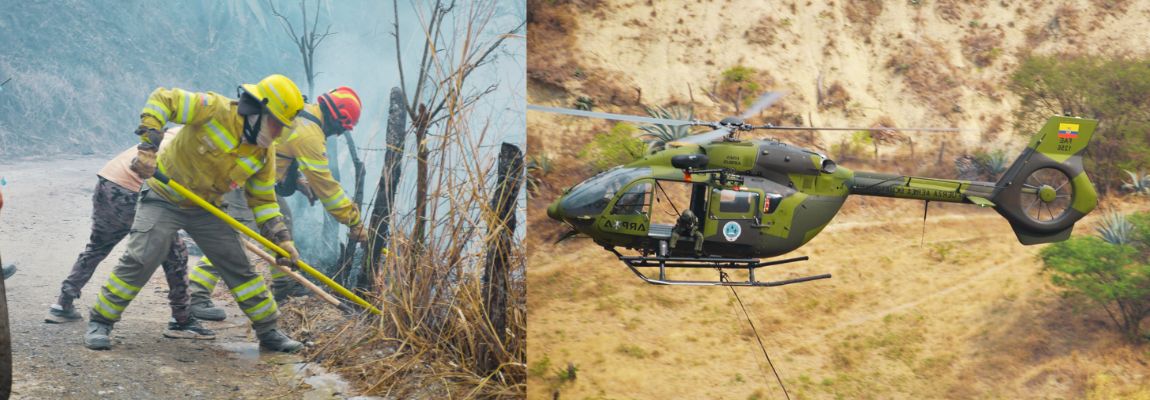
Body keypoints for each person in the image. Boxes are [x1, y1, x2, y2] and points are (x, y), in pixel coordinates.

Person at [83, 74, 306, 353]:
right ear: (260, 110)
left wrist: (281, 238)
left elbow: (262, 199)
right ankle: (101, 321)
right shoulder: (214, 108)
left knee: (239, 266)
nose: (278, 133)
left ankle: (269, 331)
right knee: (141, 258)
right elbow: (164, 99)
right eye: (276, 124)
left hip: (208, 208)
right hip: (164, 197)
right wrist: (148, 147)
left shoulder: (263, 153)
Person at [187, 86, 369, 321]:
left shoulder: (301, 112)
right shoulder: (310, 134)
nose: (337, 135)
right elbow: (327, 188)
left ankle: (283, 285)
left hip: (255, 178)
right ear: (337, 120)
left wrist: (299, 181)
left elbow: (281, 152)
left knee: (282, 224)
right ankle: (196, 296)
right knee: (234, 237)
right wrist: (353, 220)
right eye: (341, 130)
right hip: (240, 179)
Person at [45, 130, 214, 339]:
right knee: (174, 253)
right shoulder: (192, 142)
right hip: (133, 190)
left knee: (98, 246)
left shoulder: (174, 131)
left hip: (108, 182)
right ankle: (182, 319)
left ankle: (62, 304)